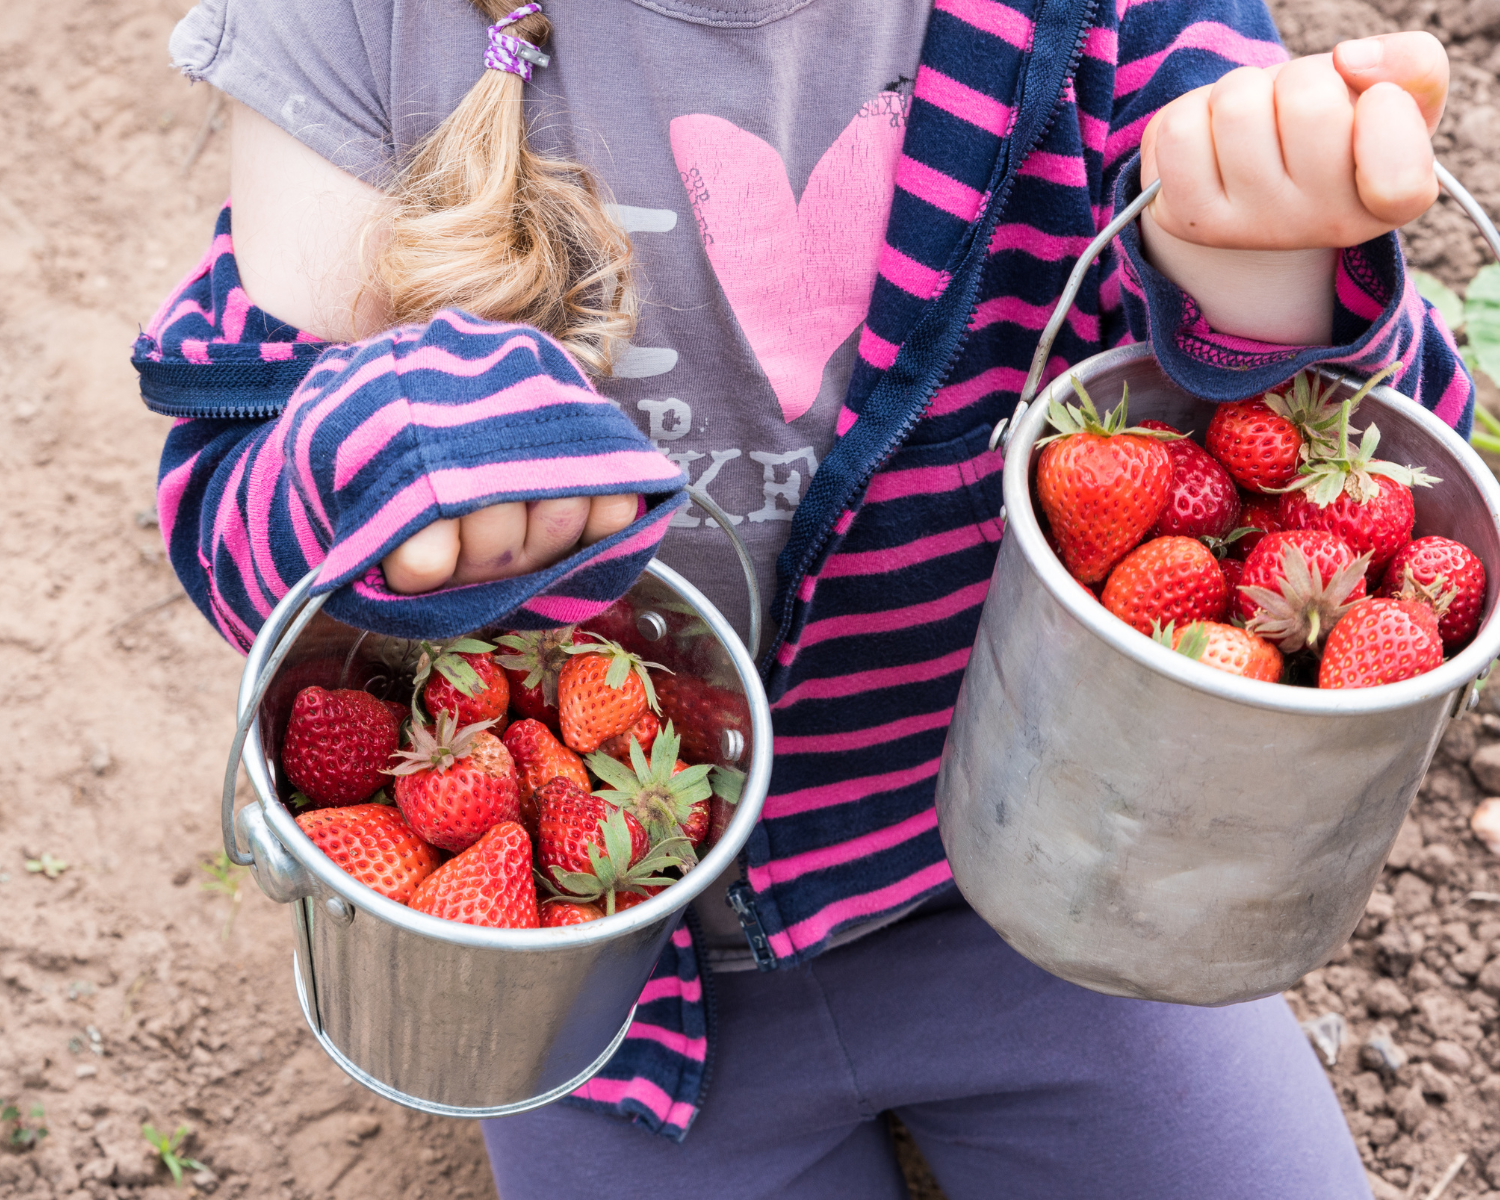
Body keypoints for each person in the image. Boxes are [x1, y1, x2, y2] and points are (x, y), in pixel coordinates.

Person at [137, 0, 1467, 1194]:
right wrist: (368, 460)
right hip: (605, 964)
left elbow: (1371, 501)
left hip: (1049, 891)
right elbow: (232, 510)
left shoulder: (1114, 22)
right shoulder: (358, 26)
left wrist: (1267, 282)